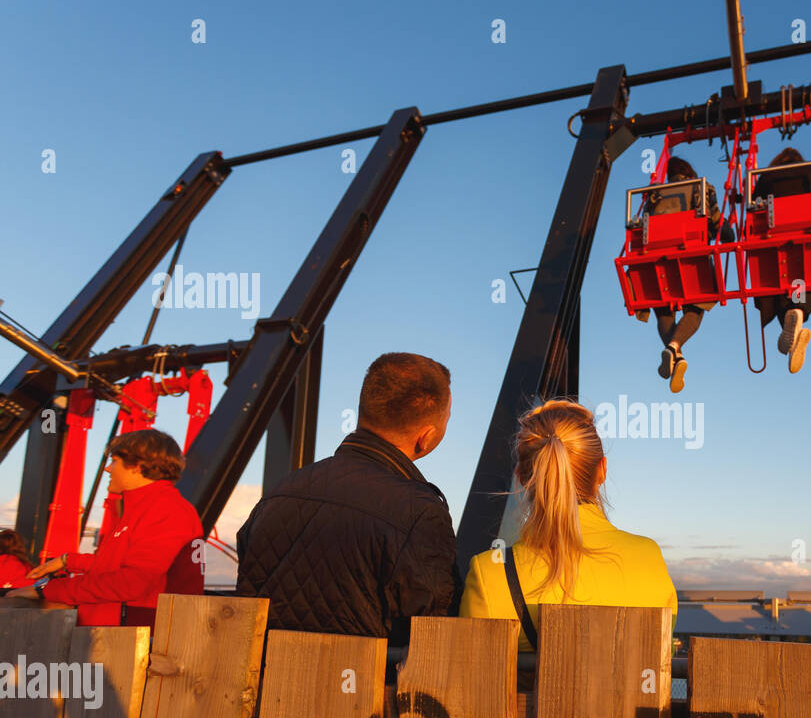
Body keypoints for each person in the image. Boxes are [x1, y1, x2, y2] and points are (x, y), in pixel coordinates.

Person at [237, 352, 460, 647]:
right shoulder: (419, 512)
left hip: (264, 687)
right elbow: (431, 636)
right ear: (426, 437)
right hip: (365, 690)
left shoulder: (279, 494)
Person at [459, 399, 677, 651]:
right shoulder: (649, 559)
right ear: (602, 470)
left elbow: (474, 677)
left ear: (521, 478)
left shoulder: (490, 572)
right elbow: (660, 658)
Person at [9, 429, 204, 627]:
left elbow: (130, 583)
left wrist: (47, 590)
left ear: (136, 466)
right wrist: (69, 561)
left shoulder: (165, 510)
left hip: (138, 641)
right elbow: (117, 565)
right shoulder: (147, 507)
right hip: (123, 635)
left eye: (115, 461)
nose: (108, 469)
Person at [641, 157, 727, 394]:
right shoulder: (702, 188)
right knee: (695, 309)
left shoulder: (654, 194)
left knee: (663, 310)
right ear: (689, 171)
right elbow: (715, 220)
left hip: (656, 260)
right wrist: (729, 232)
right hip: (690, 257)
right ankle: (674, 346)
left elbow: (641, 226)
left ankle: (675, 355)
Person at [751, 148, 811, 374]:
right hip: (808, 241)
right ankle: (798, 314)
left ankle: (794, 326)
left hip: (775, 245)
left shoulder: (766, 178)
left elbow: (752, 213)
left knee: (778, 285)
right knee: (805, 276)